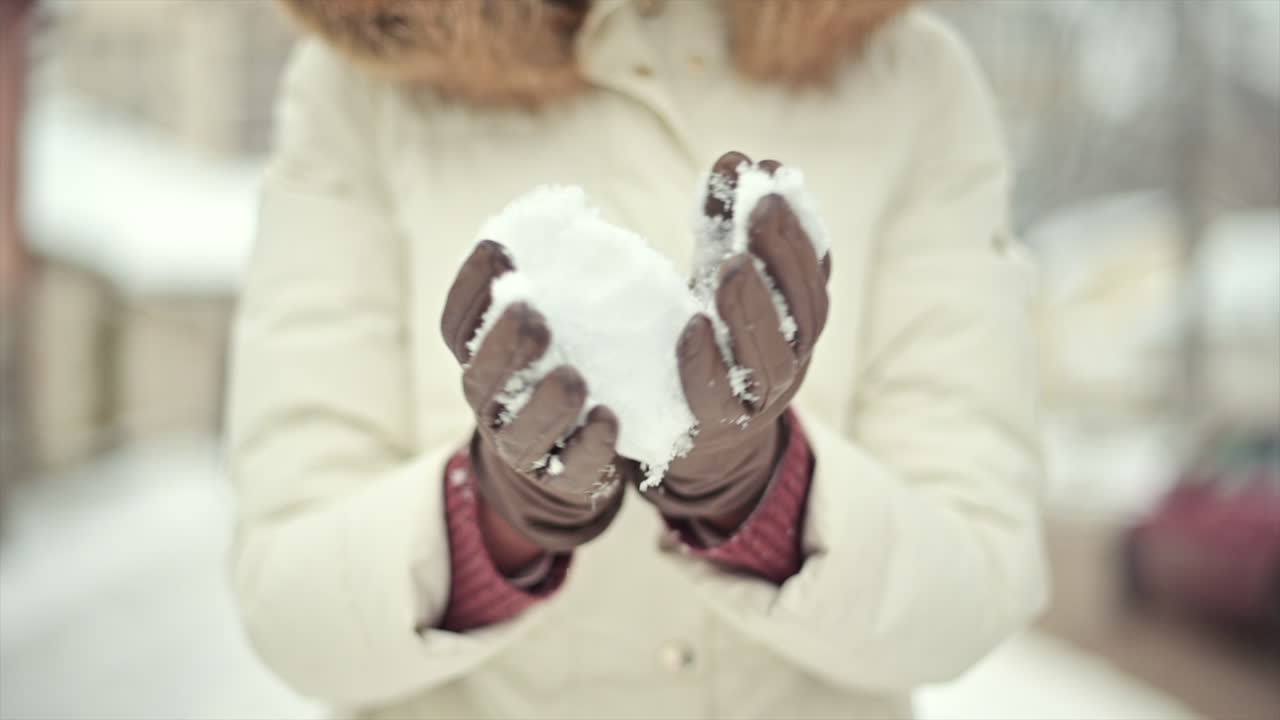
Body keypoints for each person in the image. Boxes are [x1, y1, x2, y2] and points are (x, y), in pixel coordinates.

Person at [227, 1, 1048, 717]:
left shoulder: (912, 78)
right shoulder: (360, 84)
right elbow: (291, 609)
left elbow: (973, 585)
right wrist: (494, 519)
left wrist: (759, 495)